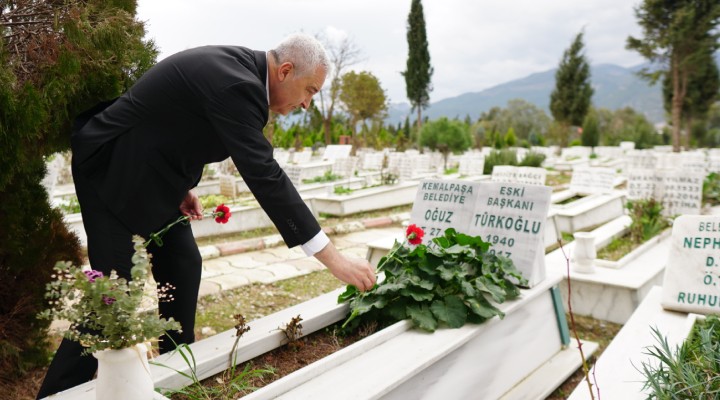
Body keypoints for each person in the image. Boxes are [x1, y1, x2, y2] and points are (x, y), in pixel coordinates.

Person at [36, 33, 377, 398]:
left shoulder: (243, 76)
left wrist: (181, 186)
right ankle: (57, 393)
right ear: (286, 71)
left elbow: (177, 121)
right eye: (309, 89)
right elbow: (264, 175)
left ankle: (175, 374)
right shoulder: (238, 84)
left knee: (182, 263)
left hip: (154, 176)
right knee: (114, 297)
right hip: (111, 168)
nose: (308, 103)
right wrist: (333, 258)